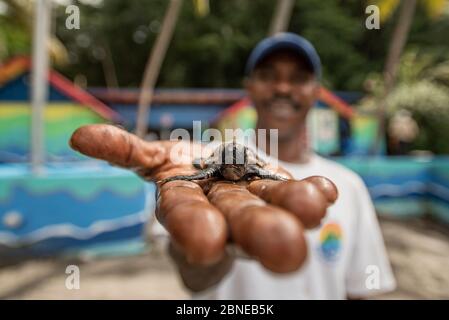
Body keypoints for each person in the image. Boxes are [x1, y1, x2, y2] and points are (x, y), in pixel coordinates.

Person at [69, 32, 396, 300]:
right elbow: (194, 281)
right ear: (249, 87)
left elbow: (361, 291)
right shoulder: (200, 164)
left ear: (316, 92)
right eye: (268, 76)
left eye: (298, 78)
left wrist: (248, 170)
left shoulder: (348, 187)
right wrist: (205, 247)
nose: (283, 87)